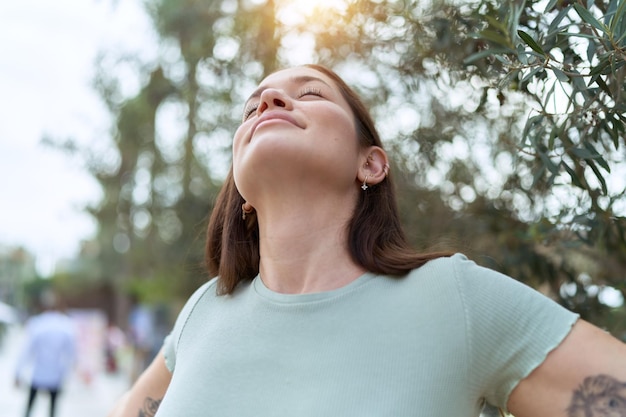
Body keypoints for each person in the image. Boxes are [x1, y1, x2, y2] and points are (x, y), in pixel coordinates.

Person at [108, 64, 626, 417]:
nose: (268, 99)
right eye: (251, 109)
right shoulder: (204, 313)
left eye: (310, 92)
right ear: (241, 191)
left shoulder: (453, 298)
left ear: (370, 163)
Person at [15, 291, 77, 417]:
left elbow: (26, 351)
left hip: (39, 373)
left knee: (29, 408)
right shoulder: (65, 325)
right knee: (52, 410)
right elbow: (72, 354)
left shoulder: (37, 323)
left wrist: (17, 373)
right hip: (55, 374)